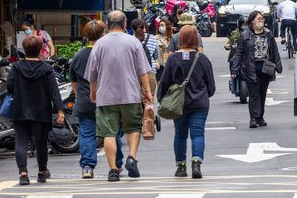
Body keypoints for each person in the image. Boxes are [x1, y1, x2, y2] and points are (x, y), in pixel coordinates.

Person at [83, 10, 155, 182]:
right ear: (125, 25)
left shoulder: (99, 44)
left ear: (107, 25)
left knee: (109, 133)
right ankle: (131, 157)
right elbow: (143, 71)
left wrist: (93, 91)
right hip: (130, 95)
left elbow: (92, 74)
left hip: (106, 96)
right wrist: (147, 91)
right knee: (133, 128)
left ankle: (113, 170)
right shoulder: (134, 42)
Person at [6, 34, 66, 185]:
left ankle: (23, 174)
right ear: (40, 50)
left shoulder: (16, 67)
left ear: (24, 49)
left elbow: (10, 86)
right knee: (41, 142)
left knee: (20, 141)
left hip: (20, 110)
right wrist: (60, 110)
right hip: (41, 111)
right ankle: (41, 172)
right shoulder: (46, 69)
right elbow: (54, 91)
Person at [158, 25, 215, 179]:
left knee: (180, 135)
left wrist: (161, 99)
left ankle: (181, 166)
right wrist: (205, 95)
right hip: (199, 103)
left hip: (178, 104)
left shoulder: (172, 59)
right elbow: (211, 85)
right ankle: (196, 163)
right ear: (196, 39)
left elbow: (164, 82)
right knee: (198, 134)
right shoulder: (202, 59)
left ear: (180, 39)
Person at [69, 20, 121, 179]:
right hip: (108, 100)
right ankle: (117, 164)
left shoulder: (78, 56)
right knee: (112, 133)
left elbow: (74, 81)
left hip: (85, 101)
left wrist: (79, 95)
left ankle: (87, 167)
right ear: (103, 34)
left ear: (86, 35)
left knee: (86, 135)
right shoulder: (109, 54)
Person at [230, 10, 282, 128]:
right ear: (252, 21)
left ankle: (260, 117)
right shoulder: (245, 35)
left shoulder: (268, 34)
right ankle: (253, 118)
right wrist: (235, 70)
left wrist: (278, 66)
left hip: (265, 69)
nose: (261, 21)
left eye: (262, 19)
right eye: (258, 19)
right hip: (250, 69)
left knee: (262, 94)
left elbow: (274, 51)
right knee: (254, 94)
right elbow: (239, 53)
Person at [131, 19, 159, 104]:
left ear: (132, 29)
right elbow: (156, 55)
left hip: (134, 73)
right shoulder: (152, 38)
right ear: (144, 27)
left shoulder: (130, 40)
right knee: (148, 101)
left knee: (135, 100)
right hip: (150, 71)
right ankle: (148, 112)